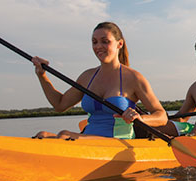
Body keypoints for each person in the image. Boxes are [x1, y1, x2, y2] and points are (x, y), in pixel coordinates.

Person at [32, 22, 167, 140]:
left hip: (118, 141)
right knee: (42, 135)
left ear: (119, 44)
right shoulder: (87, 77)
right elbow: (60, 105)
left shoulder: (134, 78)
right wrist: (42, 75)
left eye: (105, 41)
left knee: (64, 135)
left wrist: (141, 118)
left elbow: (161, 116)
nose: (98, 46)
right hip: (87, 139)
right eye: (94, 42)